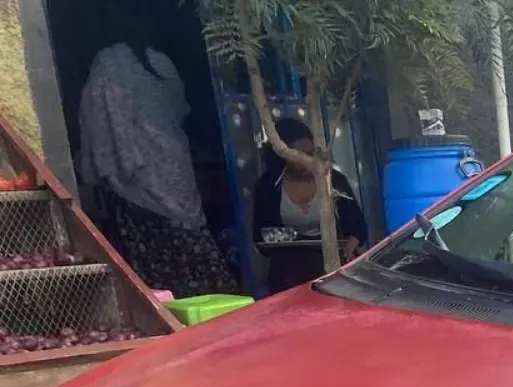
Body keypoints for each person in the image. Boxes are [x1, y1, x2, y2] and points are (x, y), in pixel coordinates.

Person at [77, 43, 238, 297]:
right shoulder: (158, 62)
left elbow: (101, 125)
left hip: (136, 178)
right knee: (190, 240)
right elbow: (180, 108)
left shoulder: (110, 68)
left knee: (152, 255)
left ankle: (171, 309)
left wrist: (102, 171)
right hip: (172, 168)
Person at [252, 118, 369, 293]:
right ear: (283, 155)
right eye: (298, 155)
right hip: (288, 272)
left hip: (333, 266)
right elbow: (261, 235)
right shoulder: (269, 186)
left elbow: (357, 226)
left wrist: (348, 249)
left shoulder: (333, 180)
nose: (307, 159)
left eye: (310, 152)